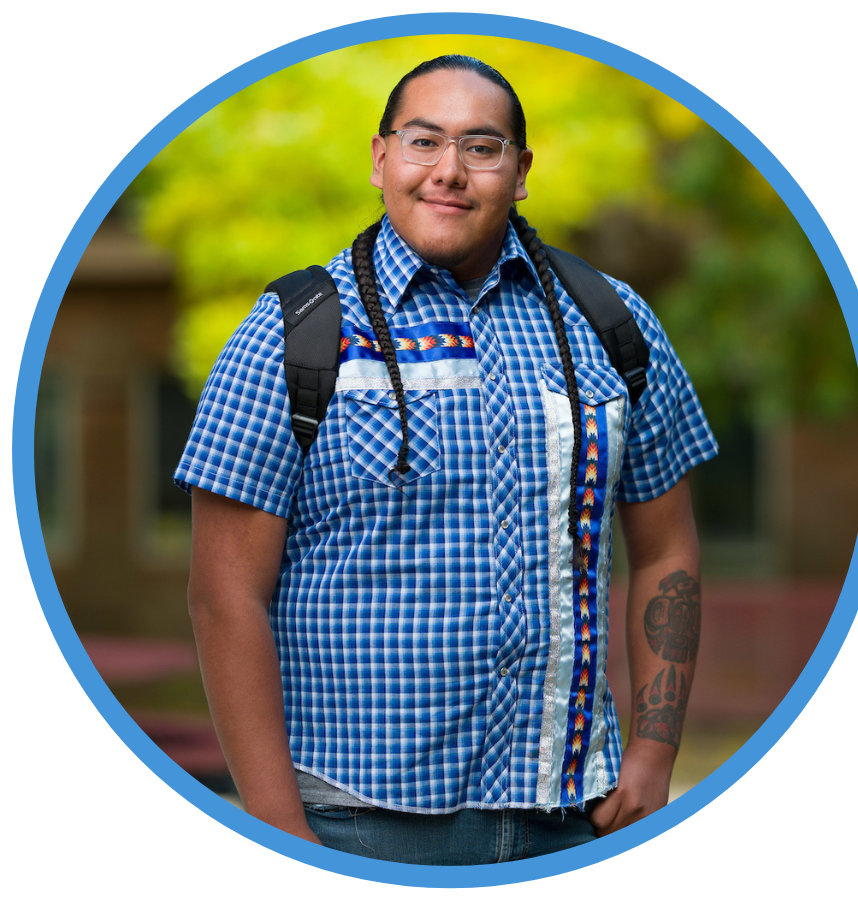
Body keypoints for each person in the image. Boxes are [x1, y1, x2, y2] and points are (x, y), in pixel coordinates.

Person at [175, 54, 718, 865]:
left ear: (522, 171)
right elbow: (224, 596)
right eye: (423, 141)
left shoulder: (612, 323)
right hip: (355, 822)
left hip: (574, 815)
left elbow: (667, 548)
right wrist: (278, 832)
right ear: (380, 158)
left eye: (483, 147)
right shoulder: (293, 333)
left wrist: (653, 751)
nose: (449, 172)